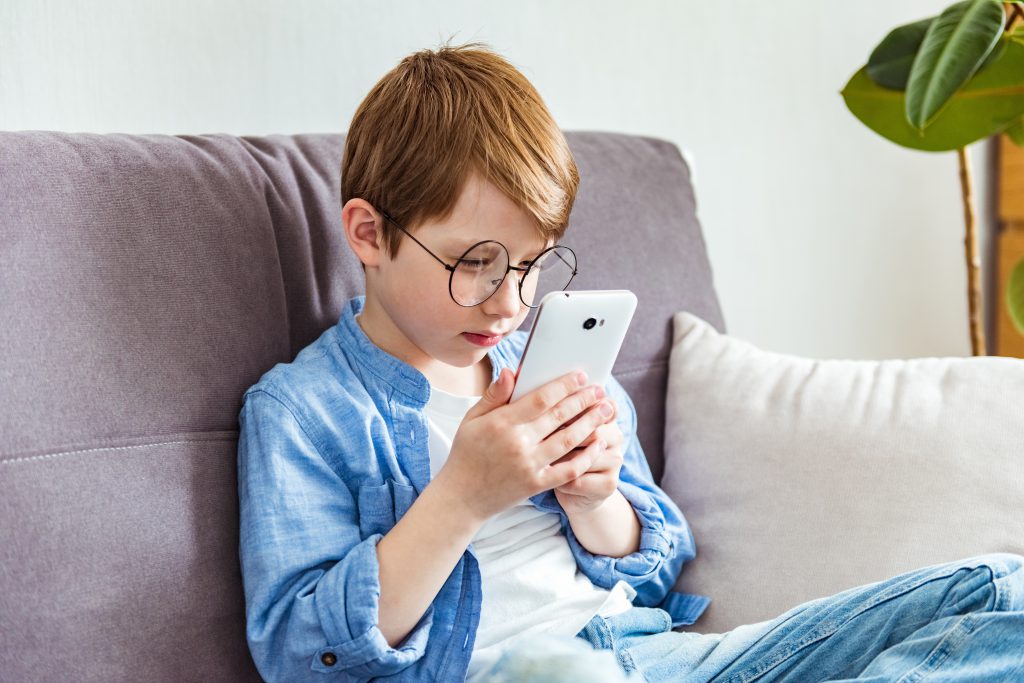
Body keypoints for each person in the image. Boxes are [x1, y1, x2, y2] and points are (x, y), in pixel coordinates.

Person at [236, 41, 1024, 682]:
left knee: (1004, 588)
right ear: (369, 234)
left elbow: (657, 570)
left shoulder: (555, 365)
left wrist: (596, 500)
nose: (510, 303)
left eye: (532, 264)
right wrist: (461, 499)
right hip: (515, 673)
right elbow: (307, 653)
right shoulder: (305, 410)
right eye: (474, 262)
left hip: (654, 658)